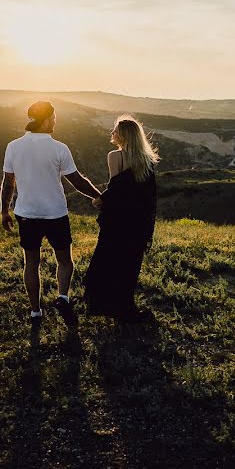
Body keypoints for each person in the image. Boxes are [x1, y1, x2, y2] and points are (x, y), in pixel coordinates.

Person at [0, 101, 102, 334]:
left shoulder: (13, 146)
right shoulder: (59, 148)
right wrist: (98, 196)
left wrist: (5, 210)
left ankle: (35, 311)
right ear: (46, 120)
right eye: (54, 118)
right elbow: (76, 181)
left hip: (26, 214)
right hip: (55, 214)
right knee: (64, 259)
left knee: (31, 263)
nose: (56, 121)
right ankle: (63, 297)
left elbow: (8, 182)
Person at [84, 115, 159, 321]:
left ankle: (104, 304)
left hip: (118, 220)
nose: (112, 133)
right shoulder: (147, 160)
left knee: (109, 258)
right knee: (129, 262)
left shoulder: (115, 157)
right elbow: (147, 195)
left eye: (115, 130)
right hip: (137, 220)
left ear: (123, 136)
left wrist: (99, 201)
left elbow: (115, 188)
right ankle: (124, 304)